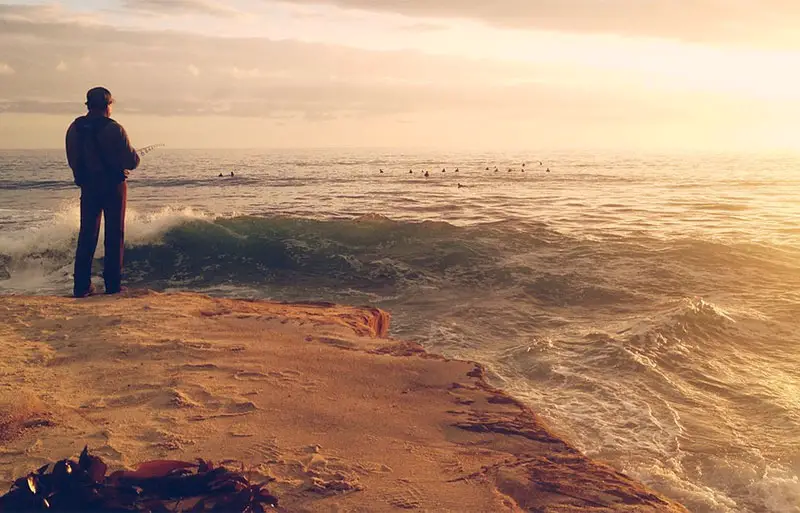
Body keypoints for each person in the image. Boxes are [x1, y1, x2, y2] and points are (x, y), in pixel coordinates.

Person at [66, 87, 140, 298]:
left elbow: (72, 159)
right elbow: (131, 161)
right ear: (108, 105)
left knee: (87, 235)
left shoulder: (74, 128)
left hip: (88, 186)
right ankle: (113, 285)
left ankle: (81, 286)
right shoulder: (114, 129)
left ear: (88, 105)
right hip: (113, 186)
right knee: (114, 234)